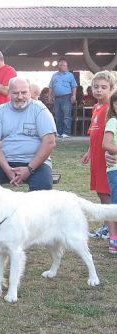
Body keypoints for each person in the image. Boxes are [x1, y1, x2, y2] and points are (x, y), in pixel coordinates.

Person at [0, 77, 57, 191]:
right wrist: (7, 170)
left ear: (30, 92)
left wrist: (29, 169)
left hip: (37, 164)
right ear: (9, 93)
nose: (20, 96)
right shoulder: (0, 111)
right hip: (5, 162)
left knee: (42, 191)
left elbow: (50, 142)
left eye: (24, 92)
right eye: (15, 93)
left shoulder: (40, 109)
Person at [82, 71, 115, 241]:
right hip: (96, 158)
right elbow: (94, 134)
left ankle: (112, 230)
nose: (99, 90)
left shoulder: (111, 109)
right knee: (101, 193)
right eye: (96, 87)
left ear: (111, 89)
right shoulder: (96, 108)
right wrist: (89, 152)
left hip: (106, 160)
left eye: (104, 87)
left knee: (106, 194)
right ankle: (107, 225)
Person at [101, 89, 117, 254]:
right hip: (115, 169)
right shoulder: (113, 122)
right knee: (115, 204)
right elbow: (106, 144)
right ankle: (114, 239)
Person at [48, 59, 77, 138]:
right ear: (58, 66)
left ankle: (66, 133)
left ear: (67, 66)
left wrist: (74, 95)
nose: (62, 66)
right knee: (58, 116)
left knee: (67, 116)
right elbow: (50, 86)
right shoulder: (54, 75)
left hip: (67, 97)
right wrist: (50, 96)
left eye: (64, 65)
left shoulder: (70, 75)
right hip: (57, 98)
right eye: (61, 65)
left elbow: (74, 86)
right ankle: (59, 132)